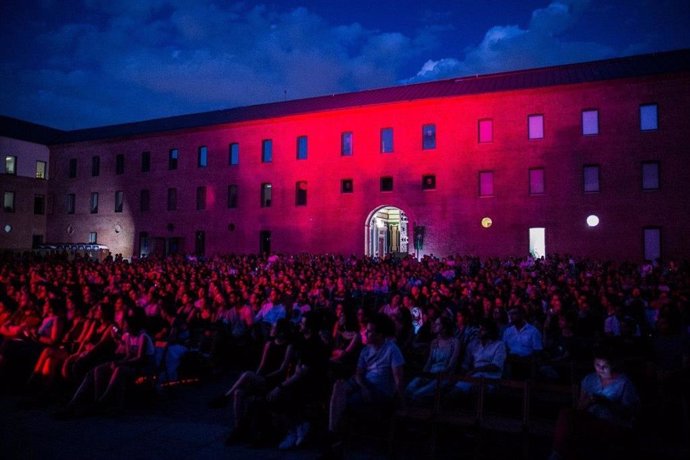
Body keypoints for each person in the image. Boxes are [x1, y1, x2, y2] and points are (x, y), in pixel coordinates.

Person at [324, 313, 405, 456]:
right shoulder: (366, 350)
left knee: (345, 402)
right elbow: (359, 374)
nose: (366, 333)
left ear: (380, 335)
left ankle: (333, 441)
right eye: (366, 330)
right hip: (365, 384)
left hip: (381, 389)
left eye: (370, 331)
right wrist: (364, 387)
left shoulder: (392, 349)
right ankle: (333, 437)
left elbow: (398, 378)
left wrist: (398, 399)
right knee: (338, 387)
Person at [550, 347, 640, 460]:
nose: (601, 369)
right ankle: (557, 453)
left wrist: (606, 402)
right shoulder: (589, 379)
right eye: (597, 365)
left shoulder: (624, 383)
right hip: (590, 419)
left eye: (605, 366)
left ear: (613, 365)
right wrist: (589, 402)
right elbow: (579, 408)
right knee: (566, 415)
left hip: (612, 424)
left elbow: (629, 413)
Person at [405, 315, 460, 401]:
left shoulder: (455, 342)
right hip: (431, 372)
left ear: (444, 327)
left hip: (444, 375)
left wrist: (438, 375)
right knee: (409, 388)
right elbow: (429, 362)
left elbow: (451, 365)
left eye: (438, 324)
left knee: (417, 394)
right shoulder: (434, 342)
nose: (434, 325)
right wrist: (424, 374)